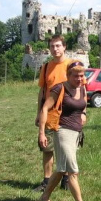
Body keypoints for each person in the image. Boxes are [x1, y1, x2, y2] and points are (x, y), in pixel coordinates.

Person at [38, 61, 92, 201]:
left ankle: (43, 199)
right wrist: (42, 133)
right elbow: (45, 108)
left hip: (76, 133)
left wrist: (84, 114)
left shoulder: (82, 87)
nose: (79, 78)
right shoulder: (59, 88)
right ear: (68, 75)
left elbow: (83, 105)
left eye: (81, 76)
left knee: (61, 169)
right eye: (75, 76)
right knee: (72, 170)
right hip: (61, 132)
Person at [34, 35, 72, 192]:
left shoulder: (72, 65)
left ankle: (66, 179)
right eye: (52, 46)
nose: (55, 49)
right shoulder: (46, 67)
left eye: (58, 46)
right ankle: (46, 181)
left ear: (64, 47)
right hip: (49, 113)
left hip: (68, 113)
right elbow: (42, 92)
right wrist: (38, 113)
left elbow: (82, 90)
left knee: (66, 148)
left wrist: (83, 112)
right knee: (47, 148)